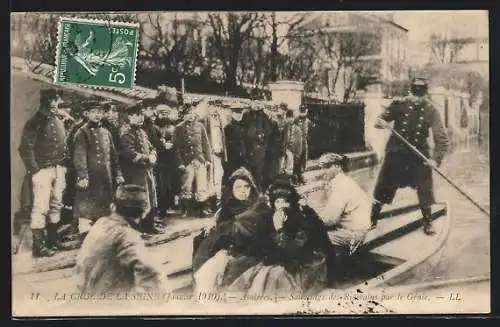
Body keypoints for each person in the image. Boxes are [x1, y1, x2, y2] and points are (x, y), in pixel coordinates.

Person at [225, 176, 331, 296]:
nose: (281, 206)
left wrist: (280, 230)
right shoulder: (272, 216)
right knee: (252, 271)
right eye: (277, 202)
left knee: (274, 276)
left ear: (291, 203)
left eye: (285, 202)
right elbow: (264, 244)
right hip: (284, 260)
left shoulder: (302, 220)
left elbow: (292, 252)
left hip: (306, 265)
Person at [370, 77, 450, 235]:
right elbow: (379, 120)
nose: (417, 99)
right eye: (414, 95)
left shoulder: (431, 111)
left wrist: (436, 159)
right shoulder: (399, 104)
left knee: (425, 187)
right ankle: (372, 220)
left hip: (418, 156)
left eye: (420, 96)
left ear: (425, 95)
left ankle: (427, 222)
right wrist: (381, 122)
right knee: (383, 186)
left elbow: (442, 139)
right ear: (410, 92)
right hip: (397, 153)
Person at [192, 167, 275, 294]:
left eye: (246, 187)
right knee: (207, 270)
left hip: (251, 253)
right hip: (228, 251)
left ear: (251, 188)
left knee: (230, 272)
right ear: (232, 189)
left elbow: (264, 238)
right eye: (238, 187)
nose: (243, 191)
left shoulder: (260, 208)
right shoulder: (227, 209)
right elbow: (221, 235)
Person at [74, 184, 167, 294]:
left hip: (85, 296)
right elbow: (152, 275)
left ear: (113, 206)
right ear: (144, 211)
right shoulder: (126, 235)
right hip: (108, 303)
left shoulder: (100, 224)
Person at [18, 88, 69, 257]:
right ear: (45, 102)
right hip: (43, 171)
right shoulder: (34, 122)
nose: (56, 104)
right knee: (41, 207)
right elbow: (26, 148)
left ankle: (53, 241)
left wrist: (63, 165)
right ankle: (38, 247)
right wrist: (35, 170)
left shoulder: (58, 120)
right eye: (53, 100)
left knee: (56, 205)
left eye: (57, 100)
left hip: (58, 169)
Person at [72, 103, 124, 229]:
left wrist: (118, 174)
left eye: (99, 112)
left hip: (105, 176)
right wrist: (83, 176)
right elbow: (80, 156)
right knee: (86, 210)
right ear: (87, 114)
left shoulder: (106, 132)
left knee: (105, 208)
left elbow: (113, 156)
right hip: (90, 178)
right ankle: (85, 235)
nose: (97, 115)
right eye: (94, 112)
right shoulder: (82, 132)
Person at [119, 103, 163, 236]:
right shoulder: (126, 134)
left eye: (141, 115)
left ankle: (150, 226)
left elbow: (151, 147)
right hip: (135, 173)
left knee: (149, 197)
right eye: (136, 115)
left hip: (147, 171)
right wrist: (147, 158)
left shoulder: (142, 132)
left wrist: (153, 154)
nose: (140, 118)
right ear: (130, 117)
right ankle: (139, 229)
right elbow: (129, 153)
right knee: (139, 200)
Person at [318, 154, 372, 258]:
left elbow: (331, 220)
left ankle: (330, 269)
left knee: (313, 237)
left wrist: (313, 218)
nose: (323, 171)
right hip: (358, 229)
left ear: (338, 166)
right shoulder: (345, 181)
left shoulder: (341, 186)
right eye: (322, 167)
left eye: (327, 167)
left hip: (352, 234)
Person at [174, 103, 213, 217]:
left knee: (202, 185)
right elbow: (176, 148)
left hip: (200, 160)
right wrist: (180, 163)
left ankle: (203, 209)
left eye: (191, 113)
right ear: (183, 115)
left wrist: (208, 159)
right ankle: (185, 209)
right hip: (187, 161)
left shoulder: (200, 126)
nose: (190, 116)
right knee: (186, 186)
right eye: (187, 114)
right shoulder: (179, 128)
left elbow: (206, 144)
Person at [195, 101, 227, 212]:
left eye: (217, 106)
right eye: (213, 106)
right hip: (209, 155)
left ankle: (216, 204)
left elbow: (222, 138)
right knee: (206, 181)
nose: (215, 108)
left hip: (218, 155)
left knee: (217, 179)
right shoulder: (204, 119)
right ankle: (205, 206)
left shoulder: (219, 118)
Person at [155, 104, 182, 217]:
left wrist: (172, 145)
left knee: (172, 183)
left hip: (171, 159)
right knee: (161, 185)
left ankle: (170, 205)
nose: (164, 115)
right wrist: (161, 146)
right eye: (162, 113)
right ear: (157, 114)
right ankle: (162, 209)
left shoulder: (173, 127)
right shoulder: (154, 127)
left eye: (166, 113)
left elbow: (177, 143)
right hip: (159, 159)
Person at [223, 102, 247, 184]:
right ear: (232, 113)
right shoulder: (228, 128)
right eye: (236, 112)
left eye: (240, 112)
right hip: (232, 157)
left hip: (242, 156)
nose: (239, 115)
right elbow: (226, 144)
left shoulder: (243, 126)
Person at [280, 109, 303, 184]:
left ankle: (294, 180)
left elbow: (299, 143)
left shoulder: (297, 129)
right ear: (286, 118)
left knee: (294, 168)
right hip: (285, 150)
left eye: (292, 118)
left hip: (294, 151)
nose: (290, 119)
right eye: (289, 118)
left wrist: (298, 153)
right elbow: (282, 140)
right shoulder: (283, 128)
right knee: (284, 168)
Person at [294, 104, 311, 185]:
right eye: (301, 111)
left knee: (303, 160)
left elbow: (309, 131)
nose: (303, 113)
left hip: (304, 143)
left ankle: (301, 176)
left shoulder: (307, 120)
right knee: (297, 160)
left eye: (304, 111)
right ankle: (296, 177)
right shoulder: (296, 120)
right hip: (297, 143)